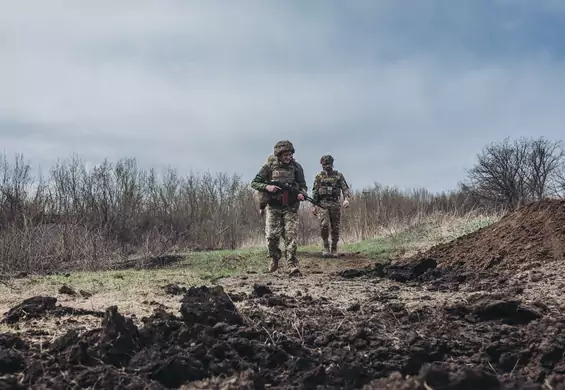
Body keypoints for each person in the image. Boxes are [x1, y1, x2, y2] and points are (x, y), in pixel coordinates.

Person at [251, 140, 308, 274]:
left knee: (290, 236)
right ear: (278, 155)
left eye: (289, 154)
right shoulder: (269, 167)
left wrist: (302, 194)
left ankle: (292, 264)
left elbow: (303, 186)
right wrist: (267, 187)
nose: (288, 157)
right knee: (271, 236)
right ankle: (274, 258)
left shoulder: (297, 167)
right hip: (273, 206)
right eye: (285, 155)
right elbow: (254, 182)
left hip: (290, 206)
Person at [311, 154, 351, 257]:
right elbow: (315, 192)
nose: (326, 166)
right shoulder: (319, 177)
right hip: (322, 204)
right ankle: (325, 245)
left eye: (328, 164)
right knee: (324, 225)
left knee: (335, 227)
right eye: (324, 164)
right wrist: (313, 206)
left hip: (334, 203)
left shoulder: (338, 176)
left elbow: (345, 188)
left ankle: (334, 248)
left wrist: (346, 199)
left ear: (332, 164)